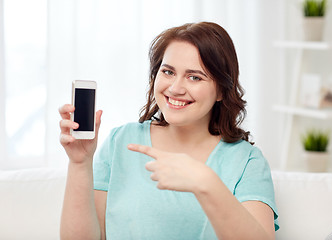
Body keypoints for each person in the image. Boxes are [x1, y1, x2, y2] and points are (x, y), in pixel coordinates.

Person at [59, 21, 279, 240]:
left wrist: (207, 183)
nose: (175, 89)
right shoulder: (121, 141)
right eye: (168, 72)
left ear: (221, 90)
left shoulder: (247, 162)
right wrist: (79, 163)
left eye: (195, 77)